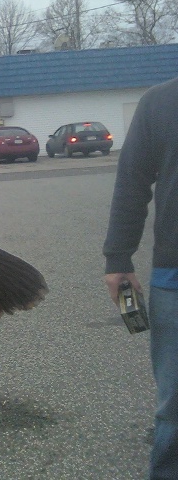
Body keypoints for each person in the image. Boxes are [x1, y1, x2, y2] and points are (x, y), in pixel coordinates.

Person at [103, 76, 178, 479]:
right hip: (176, 275)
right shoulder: (161, 102)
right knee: (176, 408)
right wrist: (118, 257)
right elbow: (132, 181)